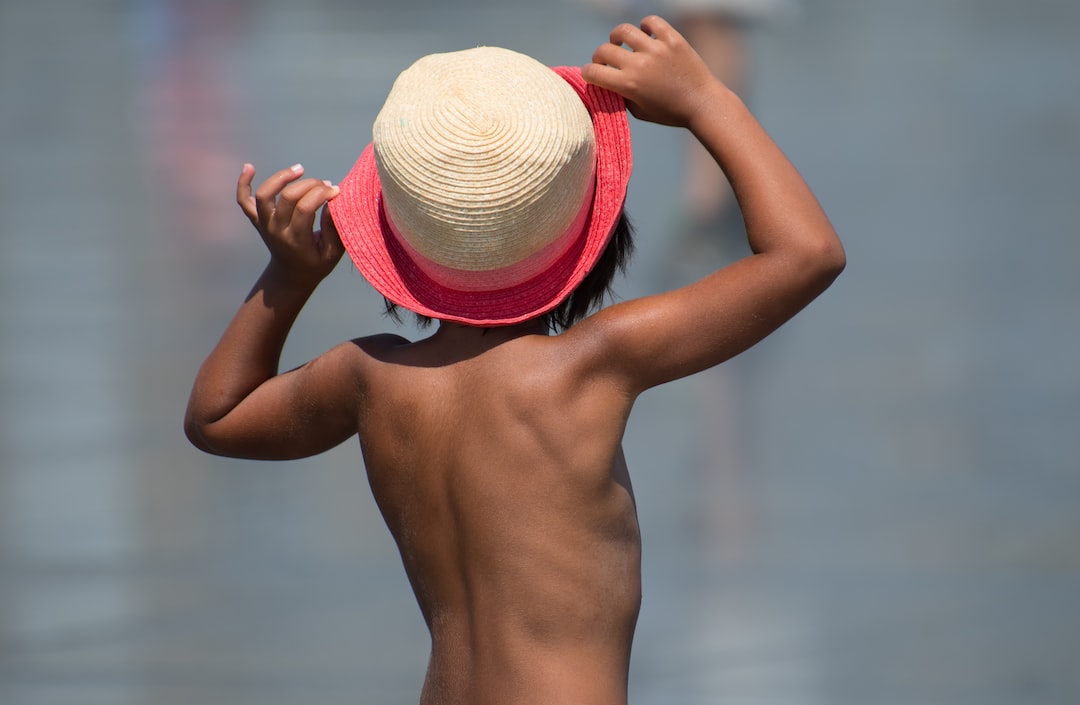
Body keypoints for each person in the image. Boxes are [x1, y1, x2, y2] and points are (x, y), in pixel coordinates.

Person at [185, 15, 844, 705]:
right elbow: (808, 253)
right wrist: (707, 99)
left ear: (397, 238)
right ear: (592, 226)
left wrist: (288, 279)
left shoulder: (371, 378)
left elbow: (217, 418)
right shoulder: (592, 364)